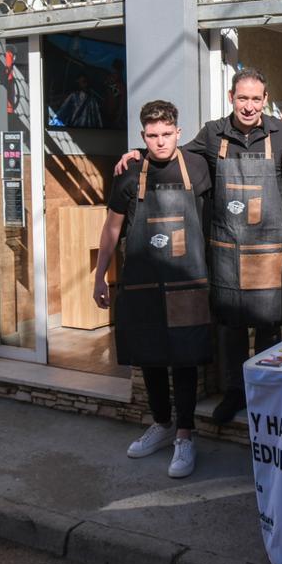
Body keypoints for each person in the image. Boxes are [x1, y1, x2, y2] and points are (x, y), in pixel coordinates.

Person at [114, 68, 282, 424]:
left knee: (270, 327)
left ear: (265, 99)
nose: (249, 106)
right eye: (242, 98)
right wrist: (136, 153)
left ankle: (268, 394)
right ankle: (234, 393)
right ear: (231, 98)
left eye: (256, 99)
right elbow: (171, 151)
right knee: (230, 327)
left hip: (269, 250)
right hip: (226, 248)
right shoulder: (213, 134)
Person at [93, 101, 213, 478]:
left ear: (178, 132)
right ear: (142, 136)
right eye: (152, 136)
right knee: (151, 358)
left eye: (166, 134)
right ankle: (161, 424)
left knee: (184, 358)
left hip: (187, 282)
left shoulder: (197, 165)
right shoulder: (129, 172)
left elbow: (210, 220)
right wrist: (99, 276)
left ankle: (185, 435)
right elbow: (112, 228)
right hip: (143, 282)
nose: (160, 142)